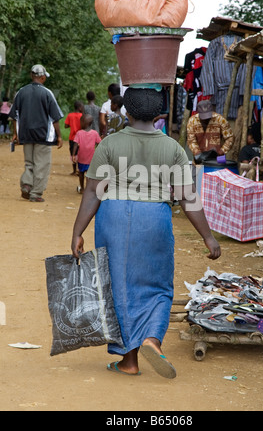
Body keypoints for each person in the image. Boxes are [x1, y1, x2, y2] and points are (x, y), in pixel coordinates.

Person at [71, 88, 221, 379]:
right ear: (159, 116)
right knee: (158, 284)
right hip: (154, 216)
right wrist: (208, 236)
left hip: (112, 214)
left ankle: (129, 360)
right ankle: (152, 337)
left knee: (117, 285)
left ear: (125, 112)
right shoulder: (173, 148)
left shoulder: (110, 144)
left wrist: (78, 231)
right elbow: (187, 197)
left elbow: (93, 191)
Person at [9, 64, 63, 202]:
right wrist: (59, 136)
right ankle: (36, 193)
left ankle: (27, 185)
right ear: (43, 77)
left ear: (31, 75)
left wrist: (16, 134)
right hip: (43, 135)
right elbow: (55, 117)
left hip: (25, 134)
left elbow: (14, 116)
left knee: (29, 162)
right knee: (42, 164)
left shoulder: (21, 92)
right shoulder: (47, 93)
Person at [72, 114, 101, 194]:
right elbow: (99, 143)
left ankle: (82, 188)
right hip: (91, 159)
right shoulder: (94, 133)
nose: (80, 123)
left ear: (85, 123)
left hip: (82, 158)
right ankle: (87, 189)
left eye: (81, 122)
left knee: (81, 173)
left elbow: (75, 144)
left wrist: (73, 154)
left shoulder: (79, 133)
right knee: (89, 175)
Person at [64, 100, 84, 175]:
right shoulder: (82, 116)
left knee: (73, 153)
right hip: (81, 138)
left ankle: (74, 170)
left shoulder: (70, 115)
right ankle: (80, 170)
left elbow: (66, 126)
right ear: (79, 108)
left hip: (72, 137)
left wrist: (72, 124)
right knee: (80, 153)